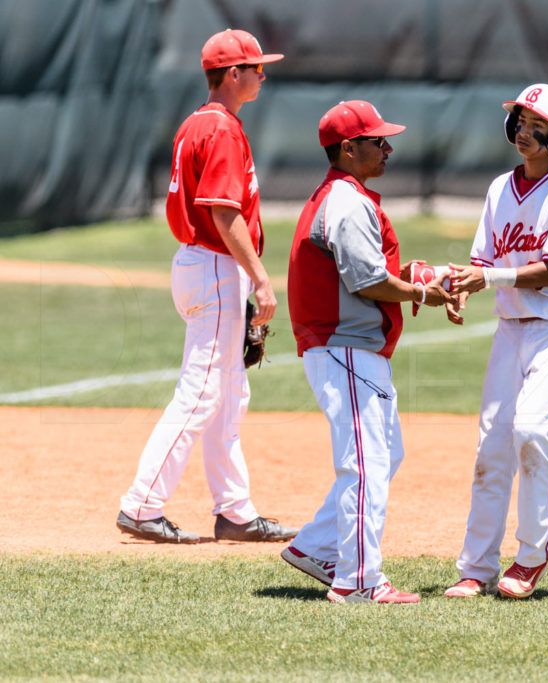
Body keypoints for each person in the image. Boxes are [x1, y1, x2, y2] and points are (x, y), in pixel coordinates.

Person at [117, 29, 297, 544]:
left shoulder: (198, 123)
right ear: (232, 74)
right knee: (201, 393)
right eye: (255, 67)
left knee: (228, 395)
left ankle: (235, 513)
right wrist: (261, 279)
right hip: (216, 266)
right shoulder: (220, 128)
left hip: (203, 265)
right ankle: (141, 504)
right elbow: (222, 212)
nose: (263, 75)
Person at [280, 100, 454, 604]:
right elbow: (369, 279)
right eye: (378, 140)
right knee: (364, 463)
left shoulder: (347, 197)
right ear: (348, 148)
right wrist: (423, 292)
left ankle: (315, 547)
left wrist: (423, 275)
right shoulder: (346, 201)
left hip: (351, 350)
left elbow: (371, 268)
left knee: (383, 454)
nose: (388, 148)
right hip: (345, 348)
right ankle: (358, 581)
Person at [443, 83, 548, 599]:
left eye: (537, 124)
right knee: (491, 449)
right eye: (519, 120)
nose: (524, 131)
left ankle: (531, 556)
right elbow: (484, 263)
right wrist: (458, 286)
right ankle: (476, 566)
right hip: (511, 331)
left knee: (532, 433)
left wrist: (486, 281)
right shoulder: (498, 189)